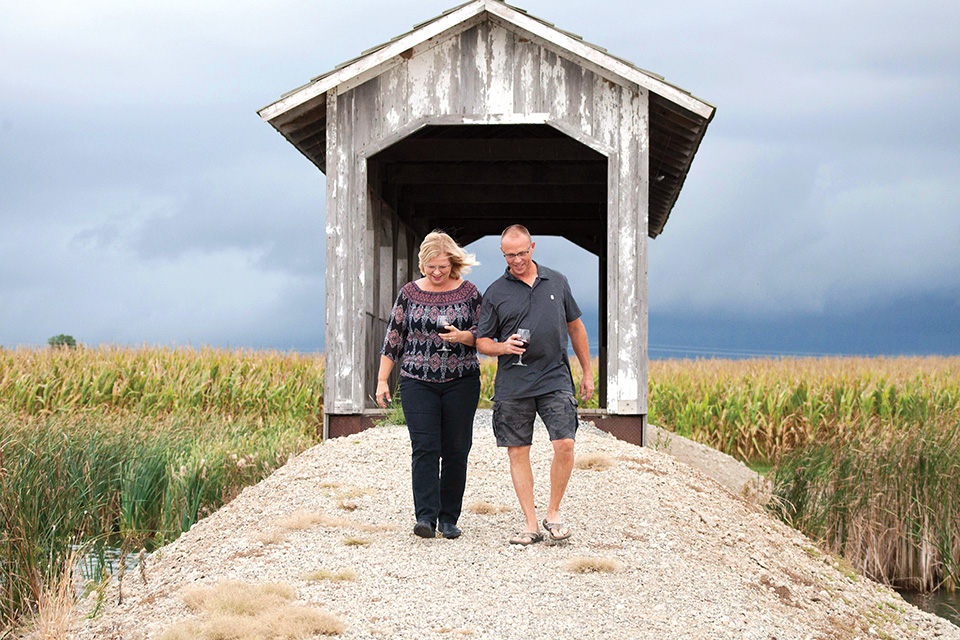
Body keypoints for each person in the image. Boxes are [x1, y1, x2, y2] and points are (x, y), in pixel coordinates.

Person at [476, 224, 594, 546]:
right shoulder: (495, 292)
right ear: (503, 254)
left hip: (555, 377)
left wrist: (587, 372)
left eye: (521, 253)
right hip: (514, 384)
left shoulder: (557, 280)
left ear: (533, 247)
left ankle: (553, 511)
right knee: (518, 451)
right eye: (509, 255)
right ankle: (531, 524)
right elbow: (482, 342)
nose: (516, 260)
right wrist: (503, 346)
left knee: (565, 444)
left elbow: (576, 327)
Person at [376, 231, 482, 540]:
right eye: (431, 267)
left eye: (443, 267)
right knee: (425, 448)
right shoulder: (409, 293)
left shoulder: (470, 293)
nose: (437, 273)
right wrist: (383, 379)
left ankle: (449, 518)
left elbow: (485, 333)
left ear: (453, 263)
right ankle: (425, 517)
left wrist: (463, 337)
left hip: (461, 381)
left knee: (456, 449)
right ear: (423, 264)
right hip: (416, 381)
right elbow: (394, 337)